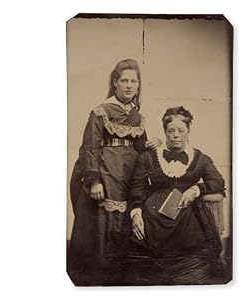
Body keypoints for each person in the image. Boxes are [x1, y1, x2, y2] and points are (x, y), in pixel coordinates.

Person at [67, 59, 159, 286]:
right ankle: (99, 277)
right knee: (102, 223)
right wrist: (94, 180)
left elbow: (141, 149)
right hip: (106, 173)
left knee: (127, 221)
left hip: (129, 177)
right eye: (124, 80)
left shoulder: (139, 117)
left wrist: (151, 147)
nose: (128, 85)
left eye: (133, 81)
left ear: (138, 86)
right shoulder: (101, 112)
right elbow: (89, 147)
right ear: (115, 84)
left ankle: (120, 277)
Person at [127, 106, 226, 285]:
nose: (176, 135)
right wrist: (136, 213)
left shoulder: (200, 158)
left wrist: (195, 189)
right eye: (171, 131)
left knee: (196, 266)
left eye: (181, 130)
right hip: (153, 219)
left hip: (188, 219)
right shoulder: (148, 157)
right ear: (165, 132)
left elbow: (218, 182)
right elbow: (136, 187)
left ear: (188, 131)